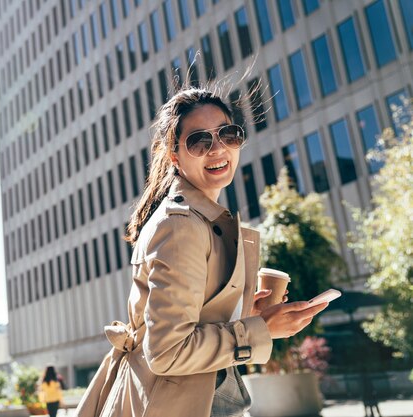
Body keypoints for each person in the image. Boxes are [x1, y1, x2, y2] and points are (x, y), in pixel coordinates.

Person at [76, 87, 330, 417]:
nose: (218, 148)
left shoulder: (195, 218)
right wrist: (260, 330)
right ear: (174, 155)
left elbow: (187, 320)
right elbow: (168, 350)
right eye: (199, 141)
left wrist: (238, 312)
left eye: (228, 134)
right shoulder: (180, 226)